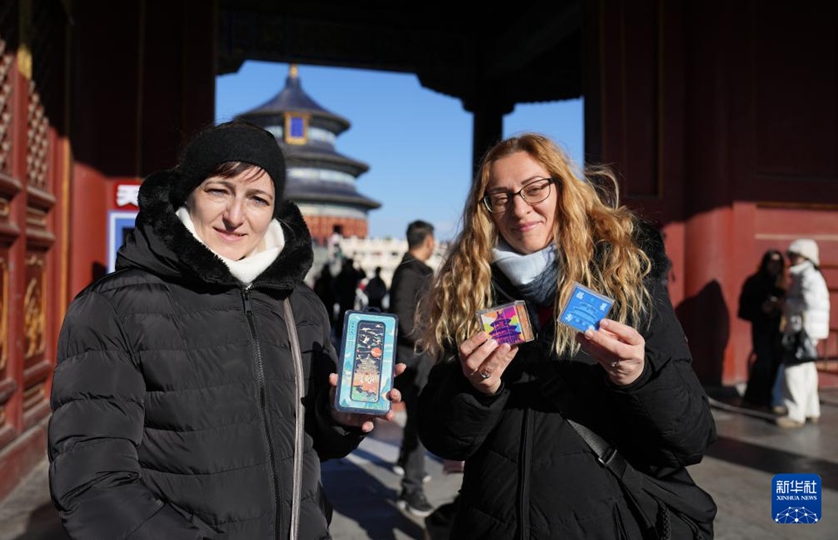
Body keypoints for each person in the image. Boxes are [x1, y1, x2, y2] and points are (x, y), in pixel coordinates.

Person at [47, 121, 403, 539]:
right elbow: (91, 486)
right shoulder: (114, 307)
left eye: (258, 198)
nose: (236, 217)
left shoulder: (300, 305)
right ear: (188, 192)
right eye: (218, 190)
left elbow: (306, 448)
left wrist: (338, 418)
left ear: (275, 210)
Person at [417, 133, 716, 538]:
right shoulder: (468, 293)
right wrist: (473, 390)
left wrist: (637, 377)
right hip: (494, 525)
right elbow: (443, 440)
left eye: (535, 188)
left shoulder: (624, 279)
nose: (520, 208)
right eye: (500, 197)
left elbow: (691, 439)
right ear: (485, 209)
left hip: (604, 524)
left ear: (562, 188)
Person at [389, 220, 437, 517]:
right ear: (428, 240)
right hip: (414, 356)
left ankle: (407, 466)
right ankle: (412, 489)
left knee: (416, 420)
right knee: (421, 421)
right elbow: (402, 317)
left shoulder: (419, 270)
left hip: (418, 355)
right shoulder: (409, 271)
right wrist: (427, 341)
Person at [775, 238, 830, 429]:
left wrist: (786, 304)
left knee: (794, 370)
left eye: (796, 255)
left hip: (802, 329)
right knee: (807, 369)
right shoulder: (806, 274)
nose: (792, 259)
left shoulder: (807, 275)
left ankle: (795, 413)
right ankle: (810, 410)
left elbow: (811, 303)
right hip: (808, 329)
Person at [737, 249, 786, 409]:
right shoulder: (754, 282)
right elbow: (743, 309)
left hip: (781, 329)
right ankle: (755, 399)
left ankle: (772, 397)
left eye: (778, 262)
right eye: (771, 261)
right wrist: (762, 308)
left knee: (778, 361)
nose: (775, 265)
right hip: (762, 327)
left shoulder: (784, 282)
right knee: (764, 361)